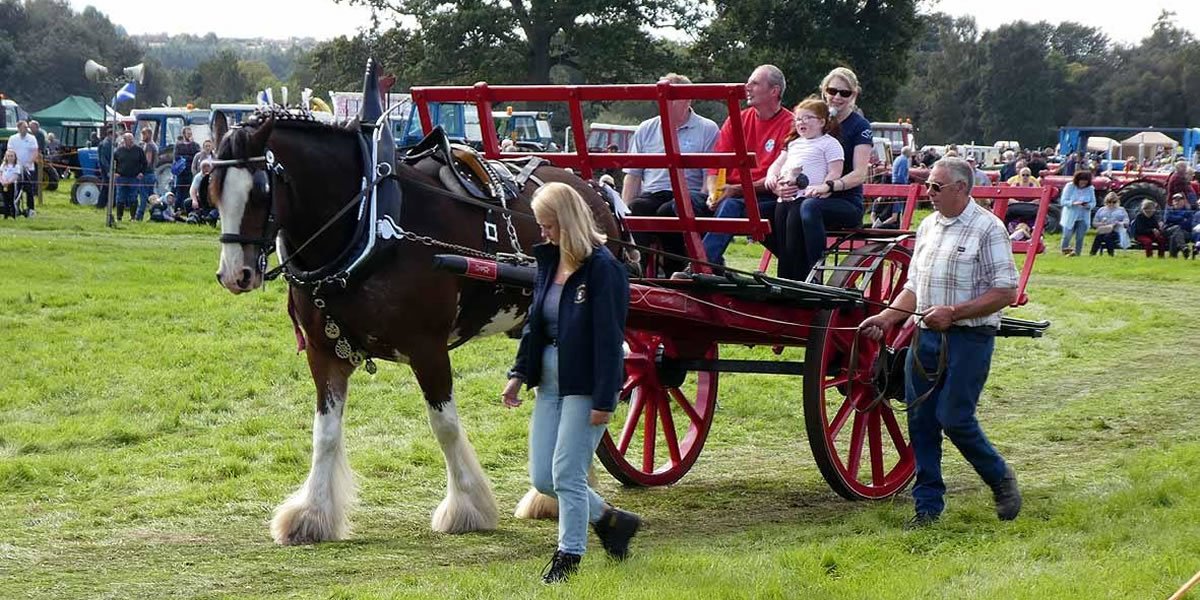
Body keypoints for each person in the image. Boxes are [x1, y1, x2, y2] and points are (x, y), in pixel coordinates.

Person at [859, 157, 1022, 528]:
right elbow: (914, 287)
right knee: (921, 419)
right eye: (928, 185)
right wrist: (888, 318)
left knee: (954, 417)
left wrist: (955, 312)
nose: (928, 193)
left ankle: (999, 478)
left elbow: (1005, 291)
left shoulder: (988, 229)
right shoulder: (929, 226)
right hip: (926, 336)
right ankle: (927, 508)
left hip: (969, 338)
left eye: (936, 187)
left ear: (962, 189)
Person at [501, 182, 641, 584]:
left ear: (567, 221)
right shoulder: (549, 261)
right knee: (543, 479)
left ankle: (568, 558)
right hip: (548, 382)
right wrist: (518, 375)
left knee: (567, 475)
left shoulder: (605, 270)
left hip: (586, 384)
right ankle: (611, 521)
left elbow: (609, 339)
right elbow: (534, 326)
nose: (542, 233)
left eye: (548, 226)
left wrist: (604, 399)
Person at [767, 66, 873, 280]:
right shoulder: (811, 120)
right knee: (762, 210)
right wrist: (778, 183)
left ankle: (814, 272)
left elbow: (860, 173)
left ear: (854, 95)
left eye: (845, 93)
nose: (837, 97)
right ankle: (789, 267)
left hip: (843, 201)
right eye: (832, 91)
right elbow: (786, 158)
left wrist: (829, 186)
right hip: (804, 193)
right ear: (824, 91)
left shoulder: (859, 126)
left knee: (808, 207)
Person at [621, 73, 720, 274]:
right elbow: (633, 175)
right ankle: (636, 268)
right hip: (654, 193)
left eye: (672, 98)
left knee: (670, 210)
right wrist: (623, 211)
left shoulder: (707, 128)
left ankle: (675, 270)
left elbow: (710, 173)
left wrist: (703, 202)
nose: (665, 103)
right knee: (637, 207)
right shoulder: (646, 128)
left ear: (688, 100)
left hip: (687, 194)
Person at [701, 65, 794, 267]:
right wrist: (712, 193)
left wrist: (734, 190)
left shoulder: (791, 125)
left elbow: (777, 178)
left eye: (755, 83)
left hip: (765, 195)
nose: (747, 87)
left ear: (774, 91)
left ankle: (701, 265)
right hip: (729, 192)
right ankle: (671, 268)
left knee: (730, 205)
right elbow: (716, 164)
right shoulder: (737, 119)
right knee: (680, 205)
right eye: (748, 82)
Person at [764, 96, 843, 279]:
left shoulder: (829, 143)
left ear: (822, 122)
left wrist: (823, 188)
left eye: (808, 118)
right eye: (798, 119)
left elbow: (834, 172)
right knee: (782, 239)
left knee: (793, 236)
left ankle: (800, 277)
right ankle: (784, 277)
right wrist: (771, 176)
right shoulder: (794, 144)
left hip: (806, 197)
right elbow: (777, 164)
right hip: (785, 197)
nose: (801, 122)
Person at [1058, 170, 1095, 256]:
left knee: (1080, 237)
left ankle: (1077, 254)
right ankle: (1064, 253)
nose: (1083, 182)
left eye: (1085, 180)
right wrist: (1073, 203)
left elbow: (1093, 203)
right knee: (1067, 236)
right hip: (1070, 216)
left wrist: (1088, 205)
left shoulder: (1090, 189)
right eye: (1082, 180)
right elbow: (1063, 201)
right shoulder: (1070, 186)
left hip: (1083, 217)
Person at [112, 132, 147, 222]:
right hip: (121, 178)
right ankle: (119, 217)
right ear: (124, 140)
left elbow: (144, 163)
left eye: (132, 140)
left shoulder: (139, 150)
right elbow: (113, 162)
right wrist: (115, 172)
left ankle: (133, 217)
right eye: (129, 140)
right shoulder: (119, 151)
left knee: (133, 198)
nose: (131, 141)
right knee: (120, 197)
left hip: (134, 178)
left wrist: (141, 172)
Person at [8, 120, 40, 217]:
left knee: (29, 190)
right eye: (24, 127)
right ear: (19, 128)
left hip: (28, 169)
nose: (27, 129)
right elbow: (10, 152)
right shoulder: (12, 138)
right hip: (15, 169)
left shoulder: (32, 138)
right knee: (15, 189)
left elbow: (35, 152)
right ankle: (14, 208)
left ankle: (31, 209)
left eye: (27, 127)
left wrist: (29, 163)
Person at [173, 126, 201, 205]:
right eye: (187, 133)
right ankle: (178, 207)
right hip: (181, 171)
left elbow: (197, 156)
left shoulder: (195, 145)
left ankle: (186, 206)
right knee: (179, 191)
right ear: (184, 134)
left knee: (189, 190)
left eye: (190, 133)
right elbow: (176, 157)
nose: (189, 135)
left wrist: (185, 157)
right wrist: (187, 158)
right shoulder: (178, 145)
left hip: (190, 171)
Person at [136, 127, 159, 221]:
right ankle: (157, 213)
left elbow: (148, 161)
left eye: (144, 134)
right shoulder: (154, 145)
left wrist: (141, 170)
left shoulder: (149, 146)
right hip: (152, 173)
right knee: (152, 197)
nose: (142, 136)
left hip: (146, 174)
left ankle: (139, 216)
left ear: (149, 134)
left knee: (143, 196)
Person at [1163, 193, 1194, 258]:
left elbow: (1188, 224)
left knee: (1174, 235)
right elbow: (1167, 218)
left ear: (1183, 201)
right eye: (1175, 200)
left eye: (1179, 200)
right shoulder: (1169, 209)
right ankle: (1184, 248)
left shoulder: (1188, 211)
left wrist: (1174, 219)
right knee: (1177, 228)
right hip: (1168, 230)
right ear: (1172, 202)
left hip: (1184, 232)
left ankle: (1173, 257)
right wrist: (1182, 218)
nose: (1177, 202)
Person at [1, 149, 19, 219]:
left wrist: (8, 182)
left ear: (14, 157)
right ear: (6, 157)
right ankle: (6, 215)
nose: (10, 158)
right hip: (3, 184)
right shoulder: (3, 165)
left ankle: (14, 216)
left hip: (11, 185)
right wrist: (3, 181)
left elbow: (15, 176)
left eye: (11, 156)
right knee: (5, 201)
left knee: (11, 201)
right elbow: (1, 174)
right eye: (8, 156)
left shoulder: (16, 166)